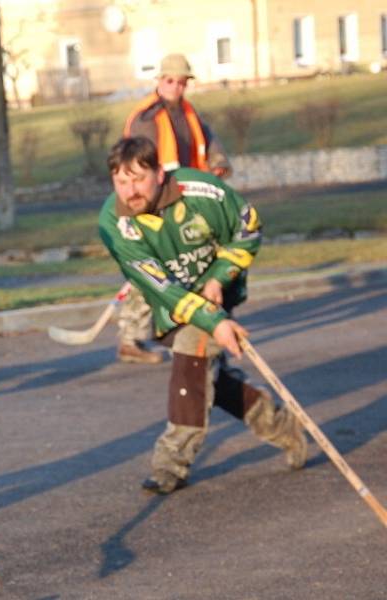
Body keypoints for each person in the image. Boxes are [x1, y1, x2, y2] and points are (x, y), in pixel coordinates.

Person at [98, 136, 306, 494]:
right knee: (211, 380)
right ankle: (279, 424)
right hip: (168, 301)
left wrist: (219, 277)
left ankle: (170, 462)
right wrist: (215, 323)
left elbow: (248, 229)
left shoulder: (203, 192)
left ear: (160, 173)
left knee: (190, 368)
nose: (130, 191)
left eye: (139, 179)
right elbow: (161, 287)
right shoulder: (114, 223)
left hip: (218, 292)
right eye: (122, 181)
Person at [115, 53, 234, 365]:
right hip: (153, 203)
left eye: (182, 82)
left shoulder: (188, 113)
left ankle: (170, 330)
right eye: (170, 80)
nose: (176, 87)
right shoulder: (146, 118)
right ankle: (131, 337)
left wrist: (218, 163)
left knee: (178, 266)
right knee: (150, 269)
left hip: (186, 200)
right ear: (160, 80)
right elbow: (139, 166)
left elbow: (209, 144)